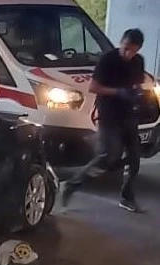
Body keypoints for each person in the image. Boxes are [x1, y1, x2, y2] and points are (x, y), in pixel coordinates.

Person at [62, 28, 146, 213]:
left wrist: (136, 92)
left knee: (134, 158)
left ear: (138, 49)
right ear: (121, 42)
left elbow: (137, 82)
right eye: (125, 48)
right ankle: (72, 184)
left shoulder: (138, 62)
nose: (128, 53)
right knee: (108, 156)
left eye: (132, 50)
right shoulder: (108, 60)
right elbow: (93, 87)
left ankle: (127, 197)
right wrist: (118, 92)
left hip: (129, 115)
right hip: (109, 115)